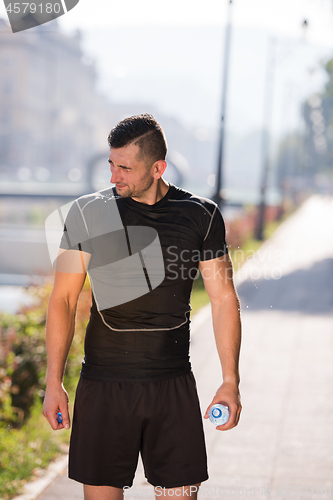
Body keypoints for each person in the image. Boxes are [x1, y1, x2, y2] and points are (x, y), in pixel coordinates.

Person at [43, 114, 242, 500]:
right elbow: (63, 300)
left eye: (126, 168)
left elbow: (222, 299)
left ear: (158, 168)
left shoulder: (201, 215)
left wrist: (230, 381)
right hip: (103, 388)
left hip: (172, 387)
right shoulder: (86, 213)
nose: (115, 176)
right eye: (111, 165)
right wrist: (54, 382)